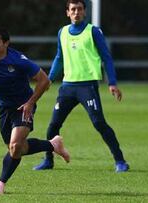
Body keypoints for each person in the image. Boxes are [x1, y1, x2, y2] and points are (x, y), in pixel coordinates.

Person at [0, 26, 70, 195]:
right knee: (17, 149)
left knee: (15, 146)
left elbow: (44, 80)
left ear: (6, 43)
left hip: (23, 106)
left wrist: (31, 102)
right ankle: (53, 145)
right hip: (4, 109)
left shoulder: (18, 60)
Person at [33, 0, 129, 173]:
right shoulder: (62, 32)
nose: (76, 12)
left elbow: (106, 57)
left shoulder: (93, 31)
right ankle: (48, 160)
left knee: (99, 123)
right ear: (67, 12)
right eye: (73, 9)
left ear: (84, 12)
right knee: (53, 125)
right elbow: (59, 58)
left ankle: (120, 161)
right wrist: (49, 79)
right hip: (67, 87)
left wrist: (112, 82)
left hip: (87, 87)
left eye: (79, 9)